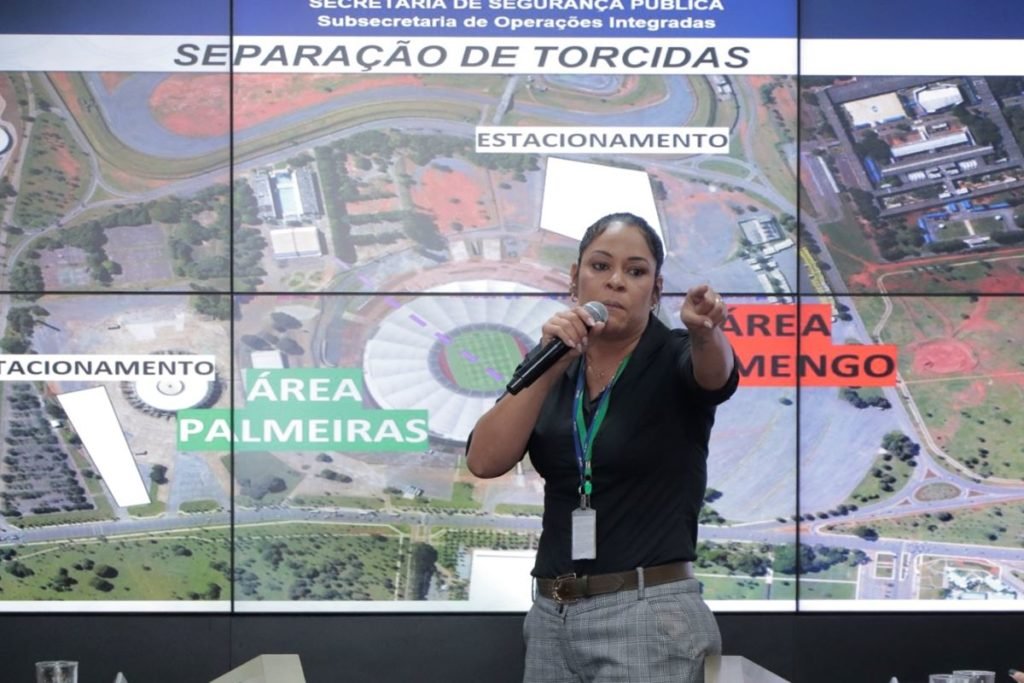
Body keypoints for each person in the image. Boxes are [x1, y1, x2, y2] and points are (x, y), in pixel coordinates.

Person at [467, 212, 739, 682]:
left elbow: (715, 375)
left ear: (655, 291)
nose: (615, 281)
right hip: (552, 616)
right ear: (574, 279)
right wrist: (550, 363)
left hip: (648, 616)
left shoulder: (675, 354)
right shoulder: (553, 364)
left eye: (635, 272)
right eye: (600, 267)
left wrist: (705, 331)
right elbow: (485, 459)